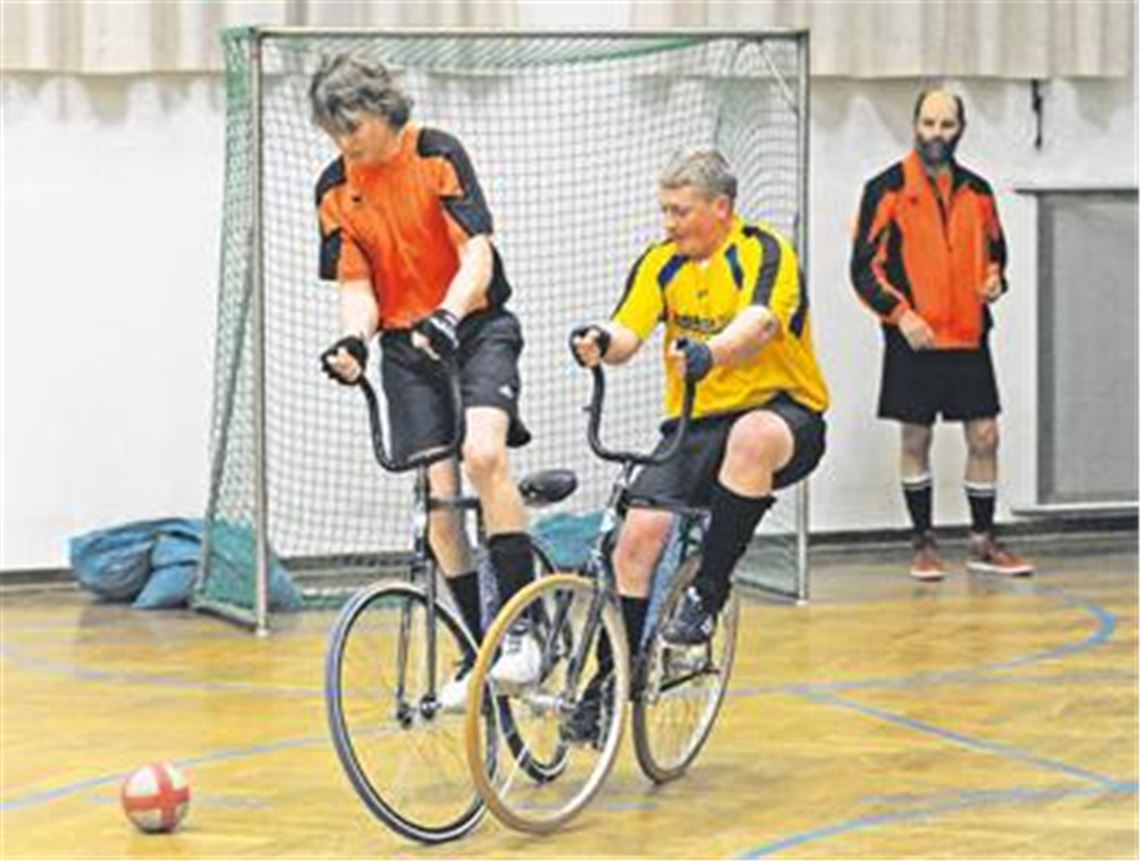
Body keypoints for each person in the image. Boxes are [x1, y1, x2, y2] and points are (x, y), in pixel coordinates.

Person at [567, 148, 828, 739]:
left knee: (752, 437)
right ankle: (613, 677)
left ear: (721, 207)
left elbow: (761, 323)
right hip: (695, 422)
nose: (669, 223)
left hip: (786, 413)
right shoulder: (662, 263)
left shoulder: (764, 252)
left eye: (680, 211)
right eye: (664, 210)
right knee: (636, 540)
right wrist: (598, 340)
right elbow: (629, 331)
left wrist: (713, 354)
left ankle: (707, 595)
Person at [311, 54, 540, 709]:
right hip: (405, 348)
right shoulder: (333, 187)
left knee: (484, 456)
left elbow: (477, 252)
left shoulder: (437, 152)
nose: (343, 142)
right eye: (332, 131)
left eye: (351, 127)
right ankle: (481, 648)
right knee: (440, 512)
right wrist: (355, 340)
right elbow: (357, 284)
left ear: (383, 111)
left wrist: (448, 314)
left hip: (474, 328)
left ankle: (521, 634)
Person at [850, 88, 1034, 581]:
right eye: (928, 124)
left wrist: (996, 280)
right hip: (915, 337)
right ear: (915, 125)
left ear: (960, 129)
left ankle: (981, 541)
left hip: (969, 336)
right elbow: (863, 269)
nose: (936, 134)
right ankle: (923, 541)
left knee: (986, 436)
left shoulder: (979, 191)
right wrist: (901, 314)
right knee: (916, 437)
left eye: (946, 125)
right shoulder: (884, 189)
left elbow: (997, 251)